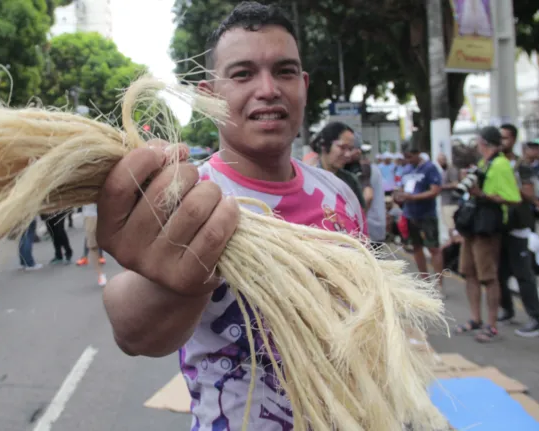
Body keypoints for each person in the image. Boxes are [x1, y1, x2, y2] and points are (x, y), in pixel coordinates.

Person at [99, 3, 365, 429]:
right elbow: (134, 331)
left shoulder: (341, 197)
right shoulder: (187, 197)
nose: (268, 89)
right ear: (209, 97)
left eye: (285, 71)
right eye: (243, 74)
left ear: (304, 85)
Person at [455, 126, 522, 343]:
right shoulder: (485, 163)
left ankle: (491, 325)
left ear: (484, 142)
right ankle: (475, 318)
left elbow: (513, 197)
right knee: (469, 272)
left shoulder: (501, 164)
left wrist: (483, 195)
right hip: (472, 225)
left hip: (488, 226)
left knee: (489, 276)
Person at [496, 125, 539, 337]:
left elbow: (529, 193)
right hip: (500, 225)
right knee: (500, 272)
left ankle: (537, 318)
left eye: (505, 138)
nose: (501, 142)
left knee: (523, 274)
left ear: (513, 139)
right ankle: (507, 309)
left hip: (518, 225)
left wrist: (507, 184)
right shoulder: (494, 163)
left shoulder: (521, 165)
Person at [395, 143, 444, 296]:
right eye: (405, 157)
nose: (408, 160)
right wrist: (400, 196)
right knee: (416, 248)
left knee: (433, 248)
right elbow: (402, 188)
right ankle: (424, 281)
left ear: (417, 153)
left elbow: (435, 190)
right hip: (410, 214)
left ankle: (439, 285)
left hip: (427, 214)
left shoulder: (430, 168)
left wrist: (413, 197)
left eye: (410, 157)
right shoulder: (406, 169)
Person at [311, 122, 366, 208]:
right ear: (324, 145)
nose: (348, 154)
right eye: (342, 147)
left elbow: (360, 214)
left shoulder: (350, 181)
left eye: (350, 149)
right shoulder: (308, 179)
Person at [81, 203, 107, 287]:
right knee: (92, 246)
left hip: (109, 213)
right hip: (90, 215)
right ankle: (100, 275)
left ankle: (127, 269)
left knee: (117, 241)